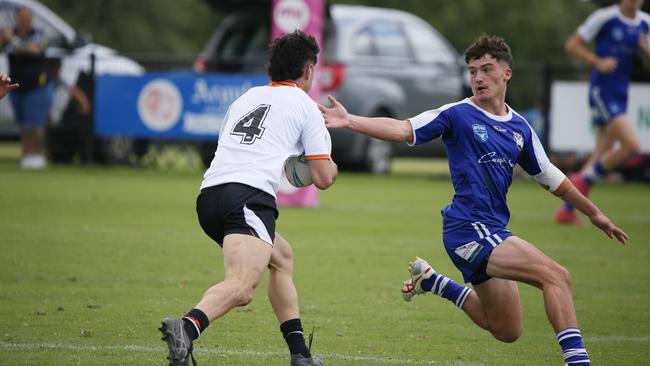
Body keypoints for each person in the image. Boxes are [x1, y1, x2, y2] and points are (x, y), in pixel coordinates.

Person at [320, 35, 628, 366]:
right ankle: (578, 362)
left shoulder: (520, 128)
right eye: (472, 71)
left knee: (507, 329)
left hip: (492, 230)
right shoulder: (458, 114)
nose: (478, 78)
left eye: (486, 69)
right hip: (468, 228)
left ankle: (435, 283)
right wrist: (350, 120)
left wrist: (595, 214)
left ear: (506, 73)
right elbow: (401, 128)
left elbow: (552, 178)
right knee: (556, 276)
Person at [159, 30, 337, 366]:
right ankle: (186, 327)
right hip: (247, 197)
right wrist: (327, 164)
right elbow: (324, 178)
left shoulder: (245, 98)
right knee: (242, 287)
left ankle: (301, 355)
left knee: (281, 256)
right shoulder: (305, 105)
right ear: (309, 70)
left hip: (209, 197)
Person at [555, 0, 650, 225]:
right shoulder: (605, 17)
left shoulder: (646, 23)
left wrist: (646, 52)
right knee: (632, 145)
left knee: (601, 153)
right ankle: (583, 181)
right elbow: (572, 45)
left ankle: (567, 210)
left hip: (621, 93)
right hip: (602, 90)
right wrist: (596, 61)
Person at [1, 6, 54, 169]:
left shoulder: (38, 34)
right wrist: (4, 39)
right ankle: (26, 156)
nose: (24, 20)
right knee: (24, 124)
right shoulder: (9, 33)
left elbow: (34, 51)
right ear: (17, 18)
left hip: (37, 86)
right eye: (21, 17)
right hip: (16, 86)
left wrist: (13, 41)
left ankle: (37, 156)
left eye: (27, 17)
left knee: (36, 124)